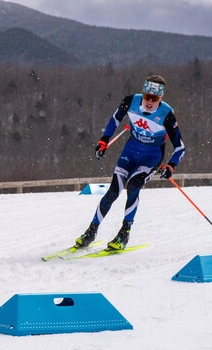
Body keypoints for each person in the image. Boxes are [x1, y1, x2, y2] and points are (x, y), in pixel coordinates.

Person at [75, 75, 185, 251]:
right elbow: (115, 119)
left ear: (161, 98)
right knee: (113, 191)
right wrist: (104, 140)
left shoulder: (167, 115)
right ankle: (91, 231)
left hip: (151, 157)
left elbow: (180, 147)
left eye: (154, 98)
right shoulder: (130, 102)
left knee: (133, 186)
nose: (149, 101)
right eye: (146, 96)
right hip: (130, 152)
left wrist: (171, 165)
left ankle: (124, 233)